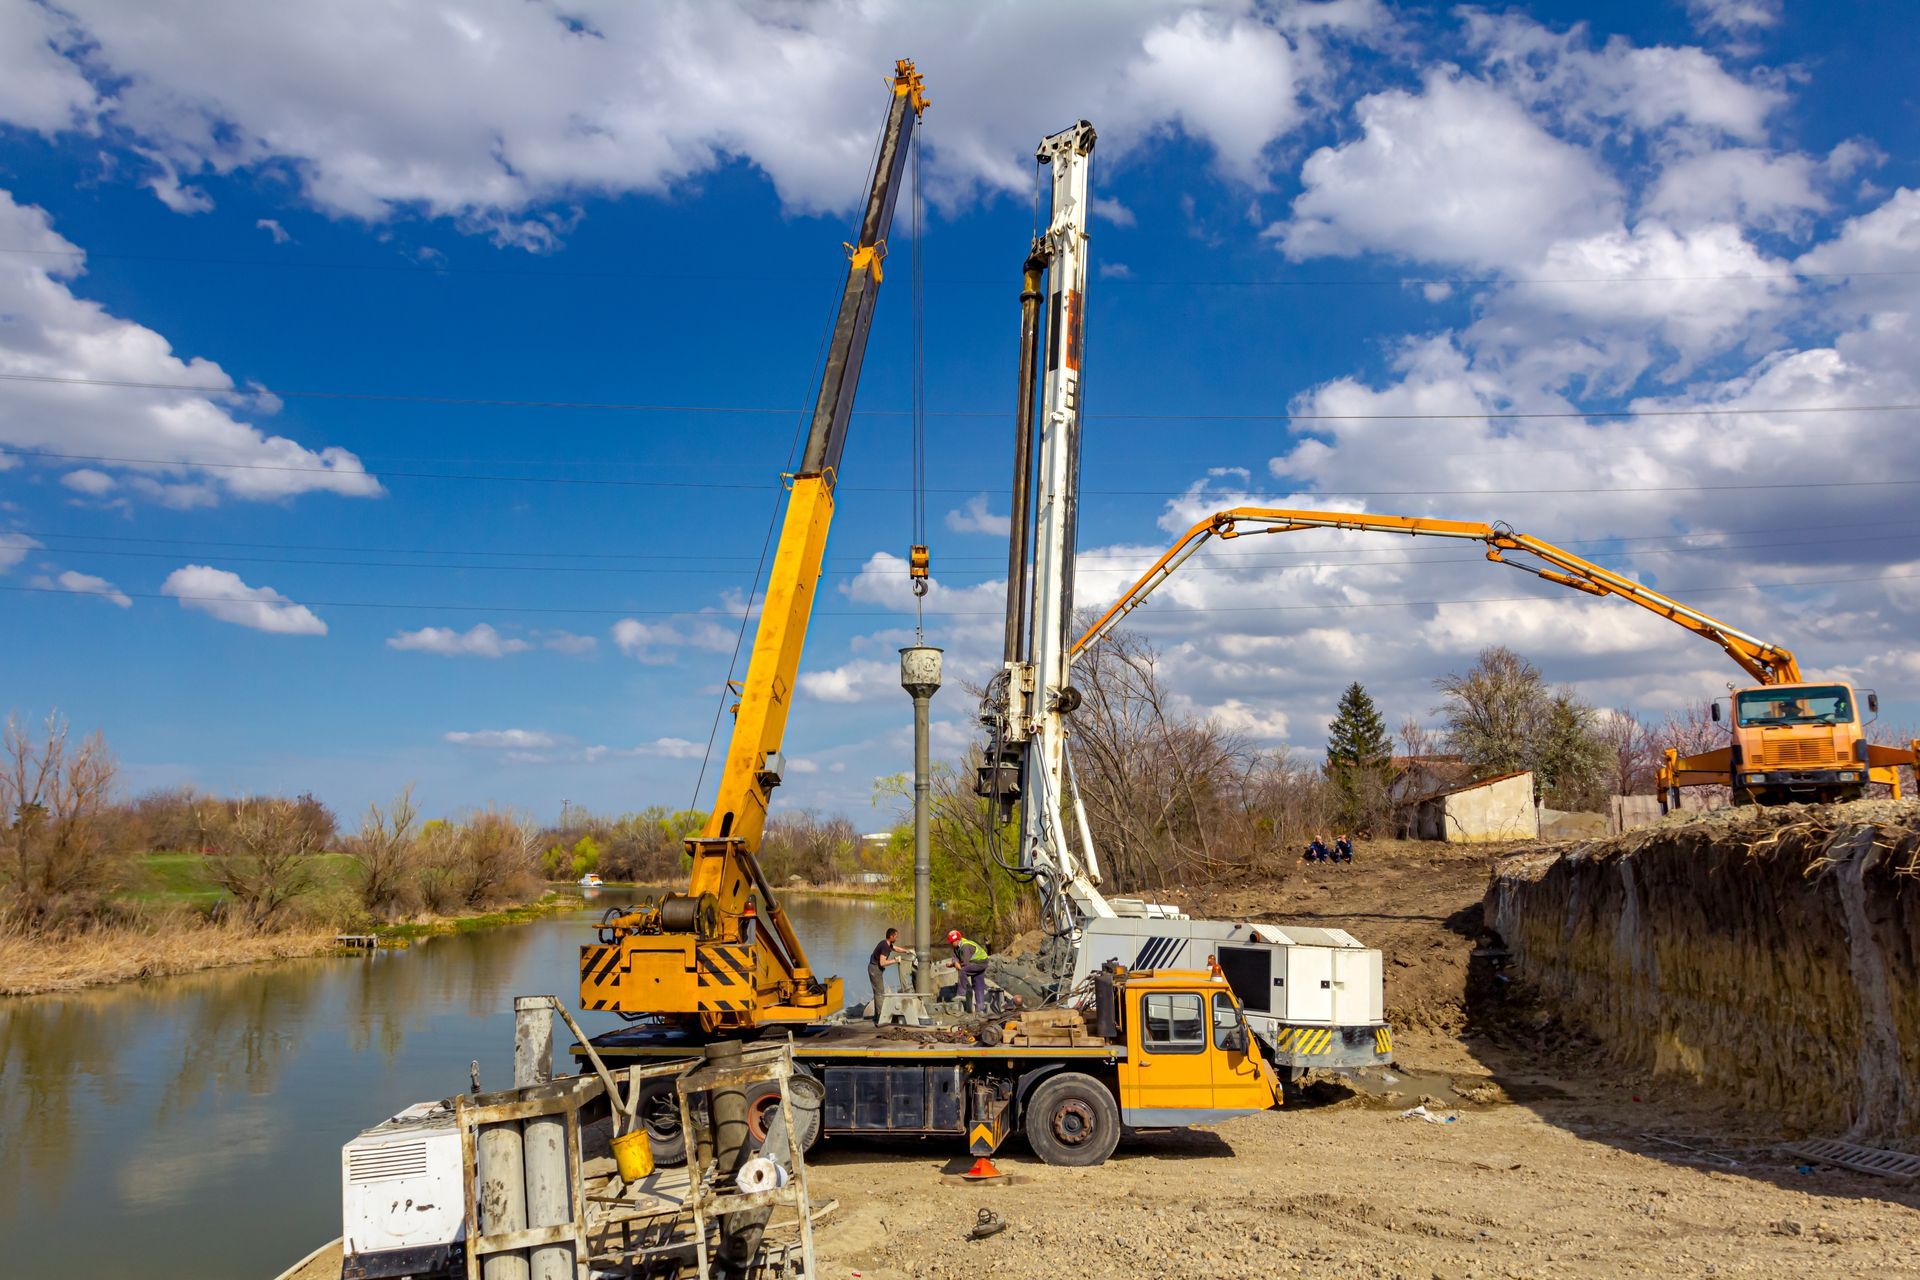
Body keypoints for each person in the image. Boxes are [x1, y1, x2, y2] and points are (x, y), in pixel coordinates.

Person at [948, 929, 989, 1013]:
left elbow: (964, 963)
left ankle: (961, 993)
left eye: (952, 942)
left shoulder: (965, 947)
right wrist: (955, 962)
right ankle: (980, 1008)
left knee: (963, 971)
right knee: (978, 985)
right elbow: (955, 956)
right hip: (976, 962)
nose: (951, 944)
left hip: (980, 962)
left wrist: (953, 964)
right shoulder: (957, 946)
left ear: (957, 940)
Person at [868, 927, 900, 1021]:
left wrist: (906, 951)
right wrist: (895, 960)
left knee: (878, 992)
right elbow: (882, 963)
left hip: (874, 968)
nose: (896, 938)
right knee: (880, 993)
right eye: (895, 937)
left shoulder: (886, 943)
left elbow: (896, 948)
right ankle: (880, 1017)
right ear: (891, 936)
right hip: (875, 969)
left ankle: (877, 1016)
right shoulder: (885, 947)